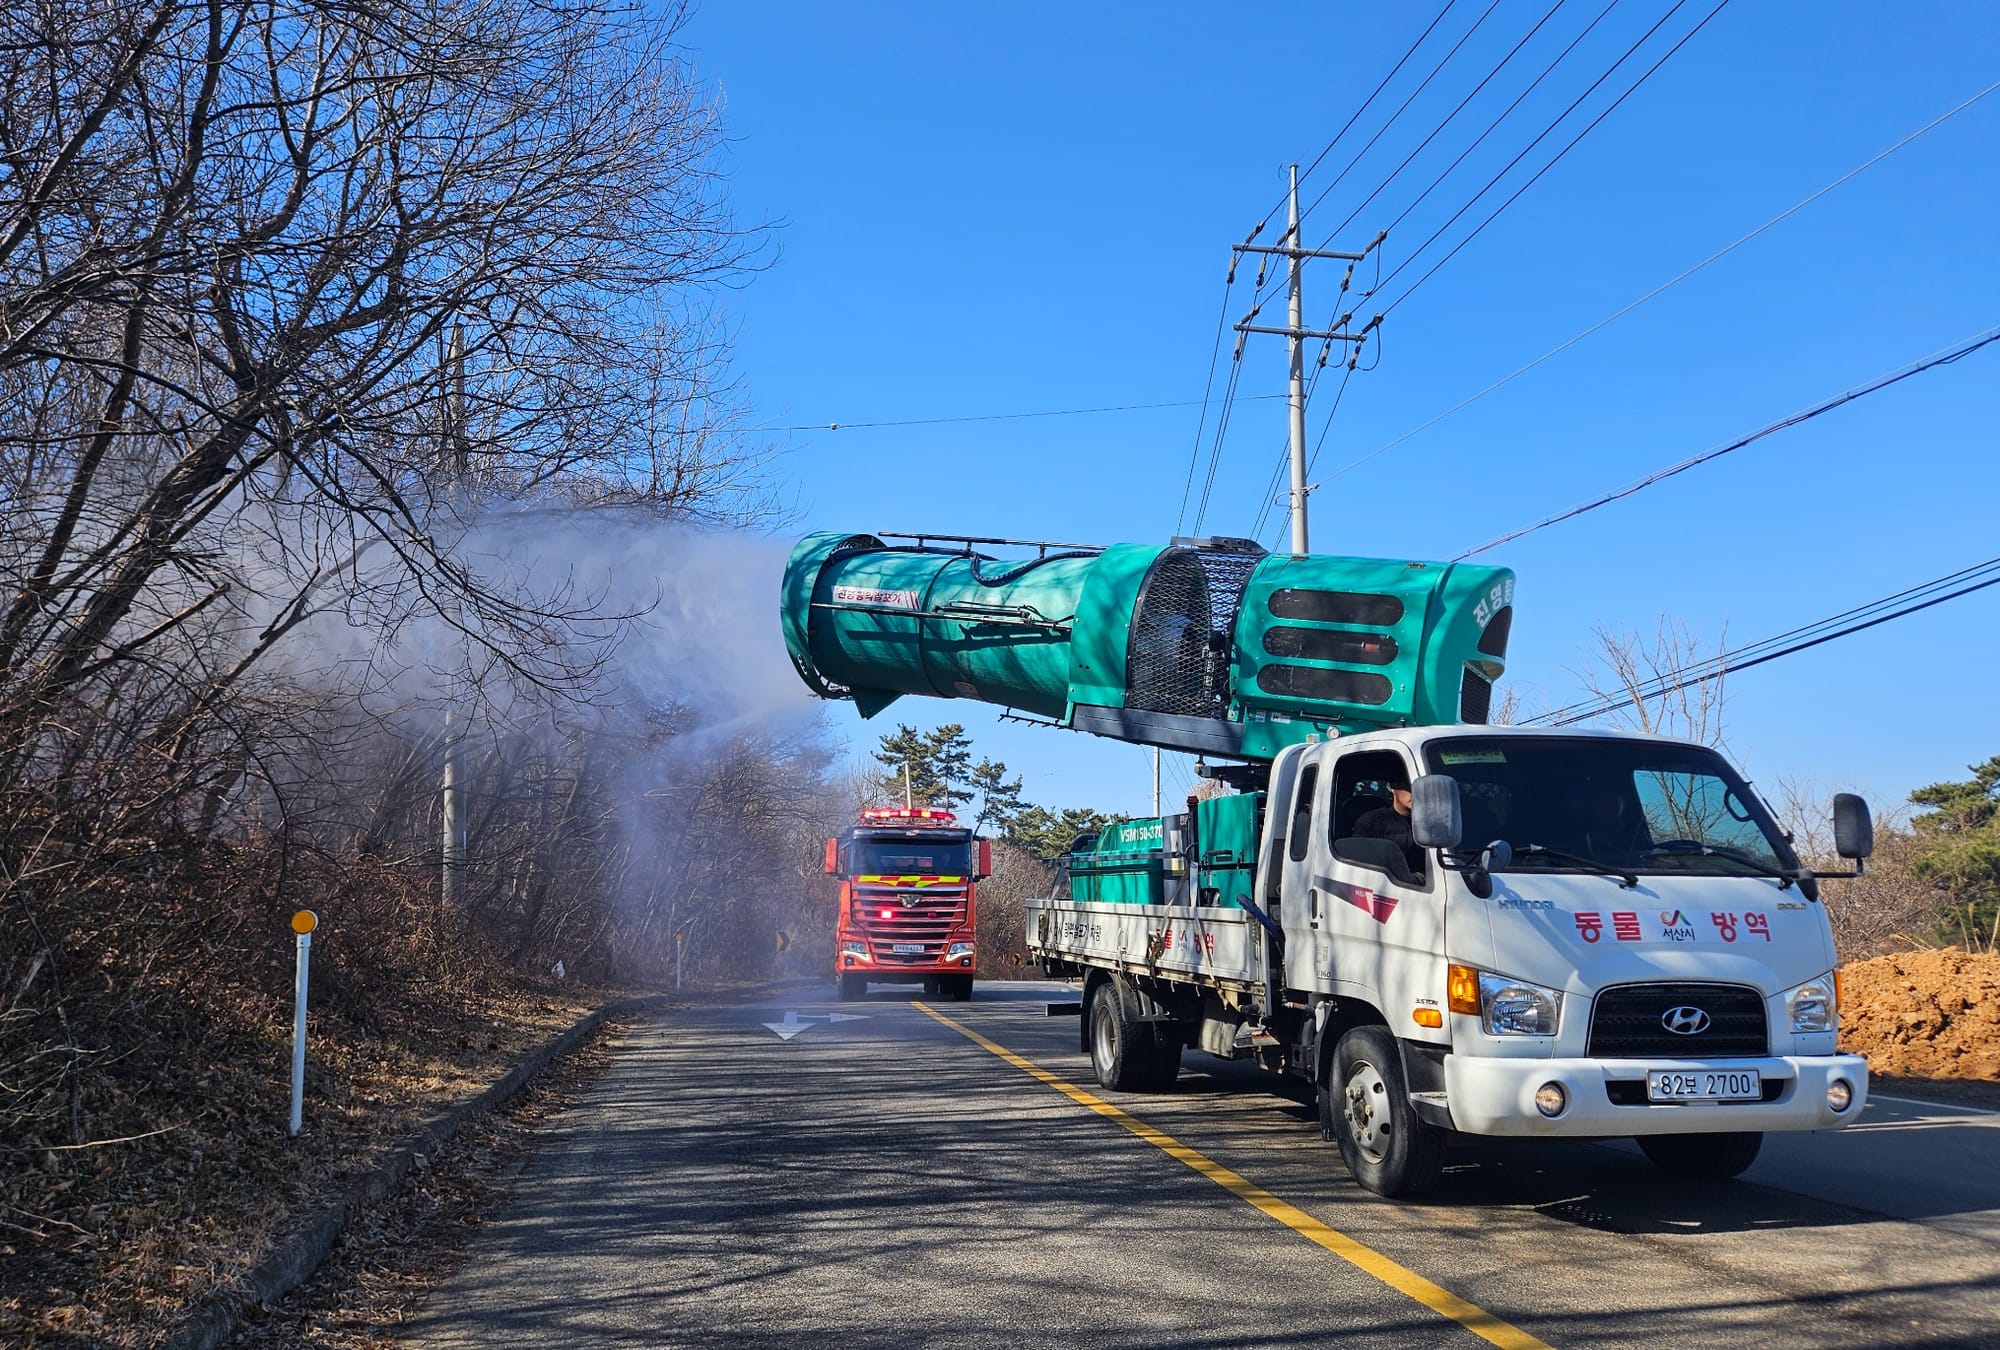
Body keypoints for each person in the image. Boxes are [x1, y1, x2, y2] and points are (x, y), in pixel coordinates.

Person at [1352, 765, 1423, 877]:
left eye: (1419, 787)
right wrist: (1406, 876)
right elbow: (1360, 866)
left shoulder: (1430, 821)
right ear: (1393, 787)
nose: (1414, 791)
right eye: (1408, 785)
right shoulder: (1371, 821)